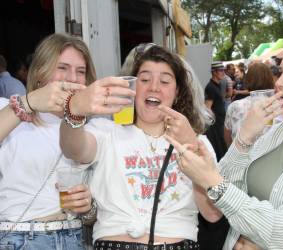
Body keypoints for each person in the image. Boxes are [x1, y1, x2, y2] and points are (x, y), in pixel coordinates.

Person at [166, 40, 283, 250]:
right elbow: (227, 193)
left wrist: (211, 179)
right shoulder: (279, 133)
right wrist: (244, 138)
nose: (279, 82)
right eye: (280, 73)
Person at [59, 45, 221, 250]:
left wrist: (191, 148)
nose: (154, 87)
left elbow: (213, 214)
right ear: (132, 89)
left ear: (177, 92)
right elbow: (73, 149)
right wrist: (74, 111)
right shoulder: (106, 131)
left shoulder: (197, 143)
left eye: (164, 81)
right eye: (144, 80)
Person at [0, 33, 94, 250]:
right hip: (20, 239)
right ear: (40, 73)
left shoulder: (89, 130)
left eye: (81, 71)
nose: (73, 78)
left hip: (73, 237)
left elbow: (96, 210)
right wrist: (29, 102)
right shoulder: (9, 111)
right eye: (62, 67)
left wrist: (88, 207)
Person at [224, 62, 274, 146]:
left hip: (240, 155)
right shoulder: (279, 106)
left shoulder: (235, 106)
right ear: (271, 79)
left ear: (248, 80)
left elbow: (227, 136)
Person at [204, 61, 227, 161]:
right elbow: (207, 108)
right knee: (219, 150)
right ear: (214, 72)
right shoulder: (210, 87)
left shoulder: (218, 85)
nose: (223, 73)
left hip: (220, 122)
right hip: (216, 126)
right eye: (220, 70)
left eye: (223, 70)